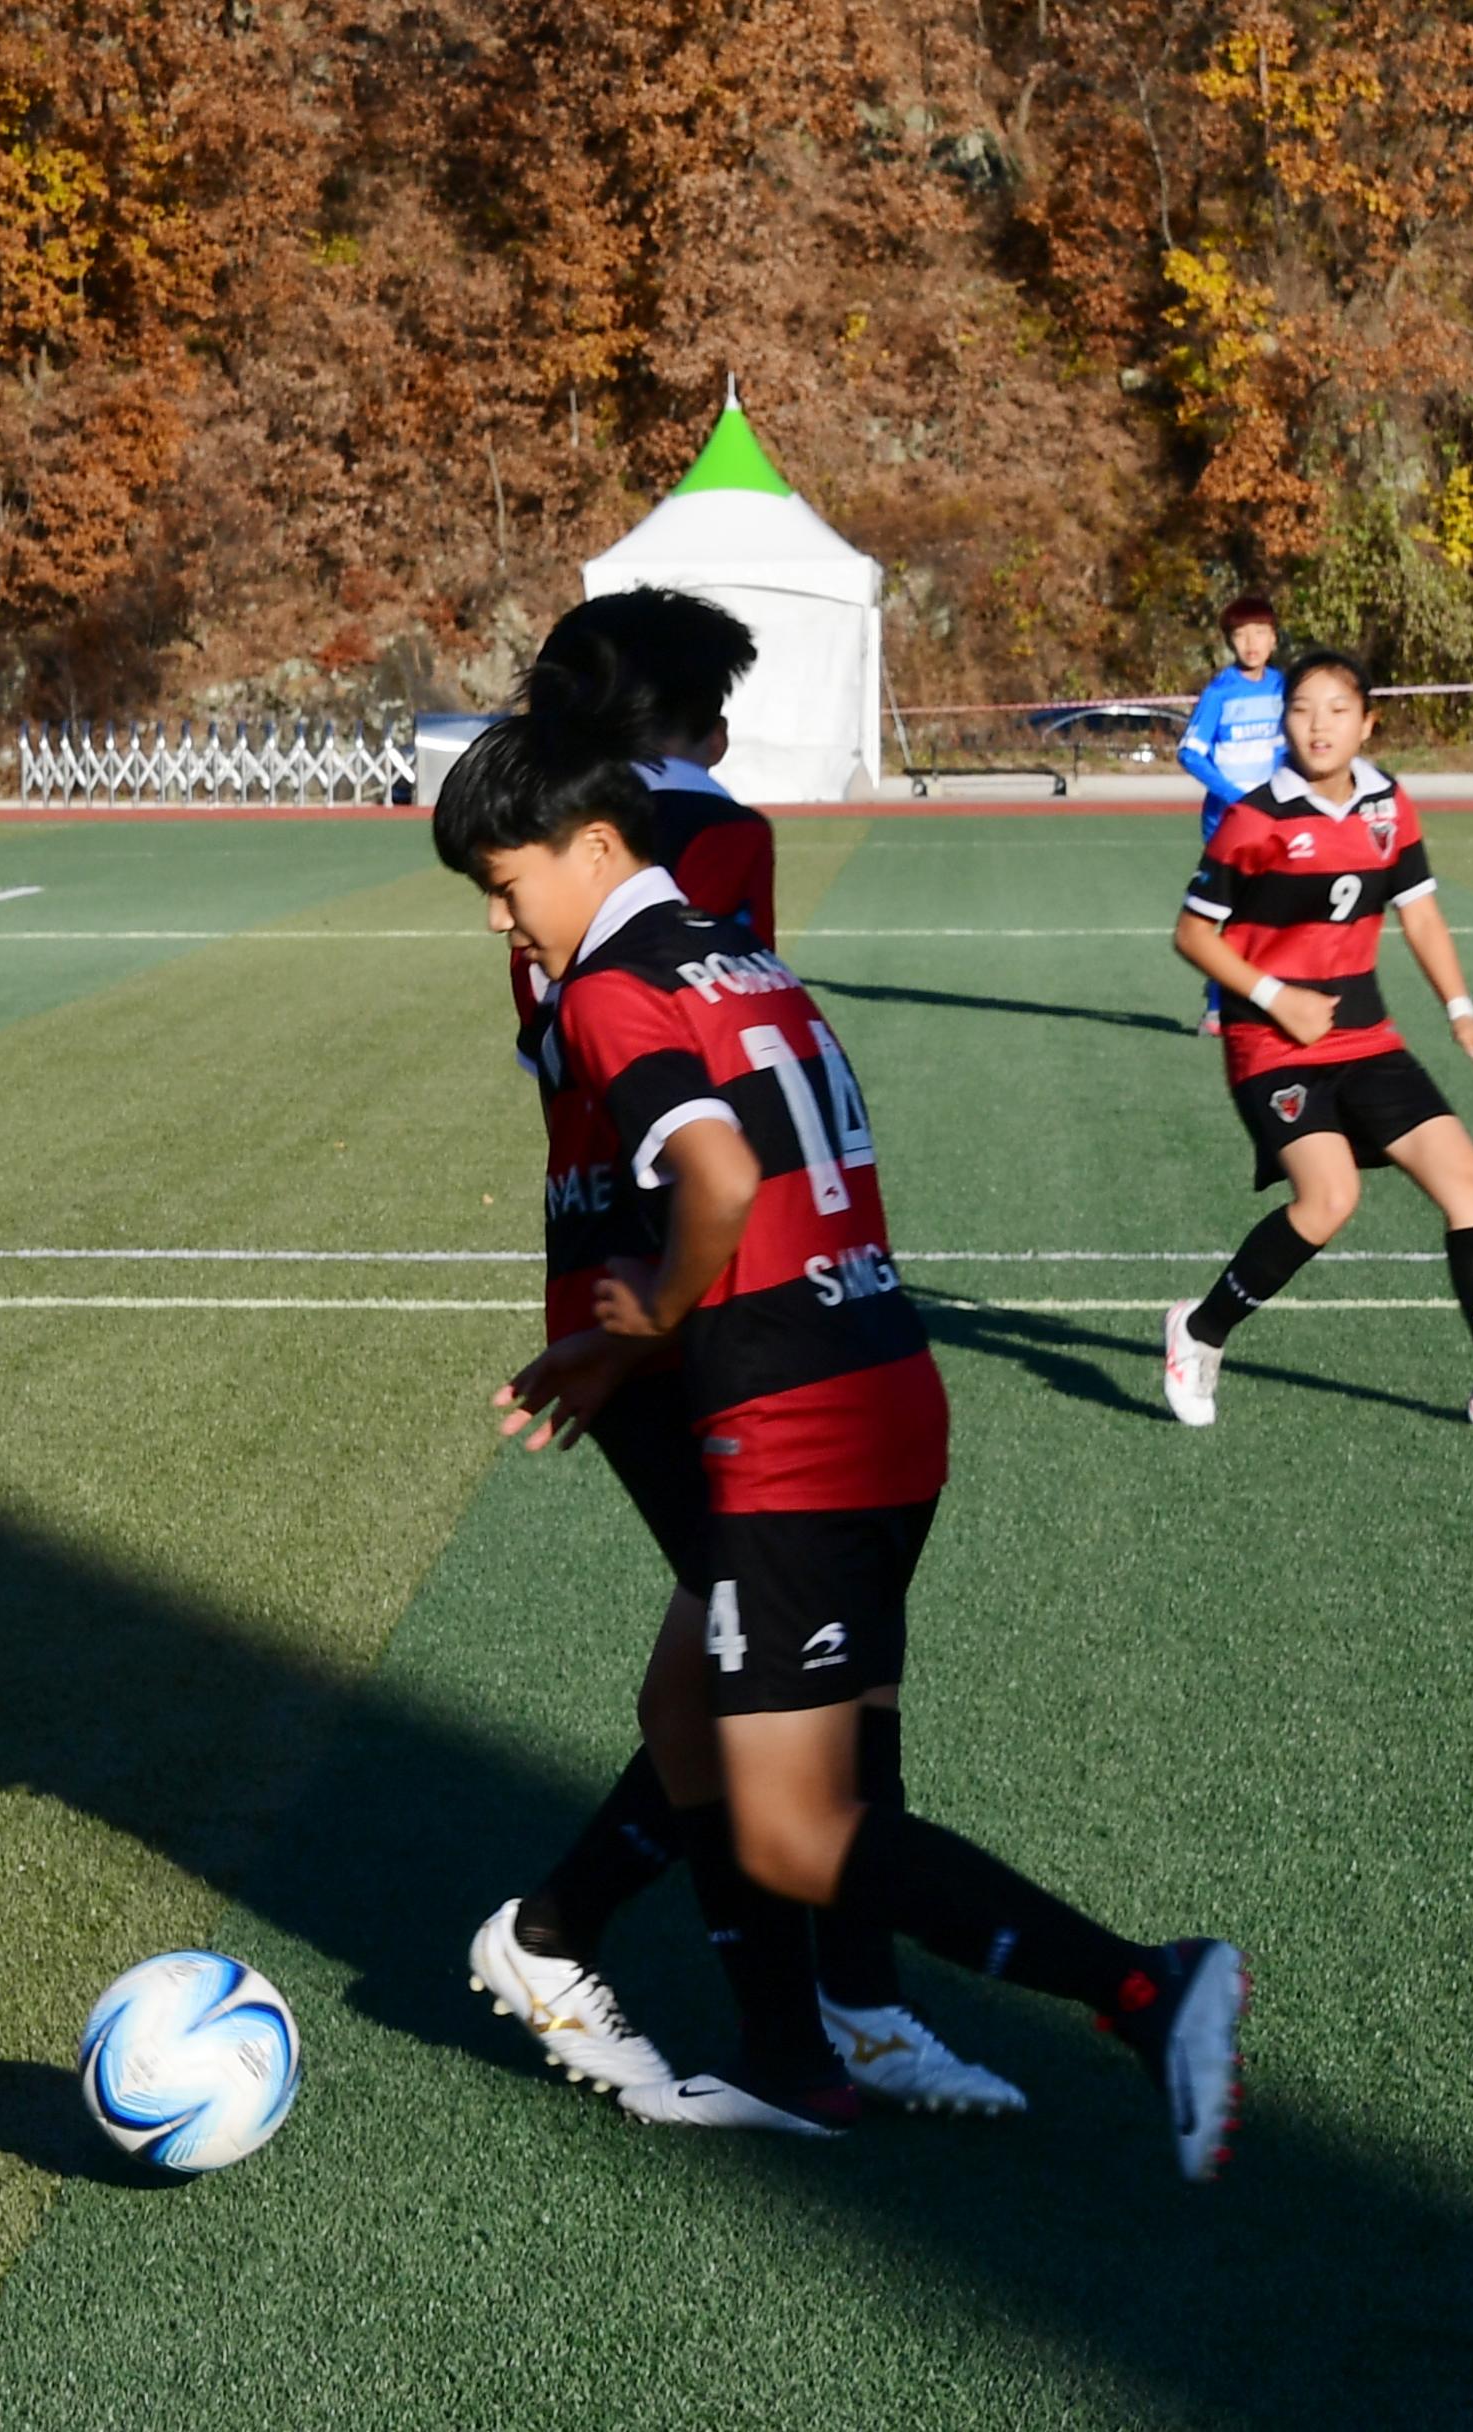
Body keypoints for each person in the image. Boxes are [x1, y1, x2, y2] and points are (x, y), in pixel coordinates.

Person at [445, 660, 1251, 2175]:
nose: (503, 924)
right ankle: (713, 2012)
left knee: (791, 1831)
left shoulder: (615, 988)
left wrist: (647, 1314)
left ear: (595, 847)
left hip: (788, 1433)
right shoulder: (743, 965)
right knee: (693, 1710)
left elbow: (720, 1183)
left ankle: (1143, 1987)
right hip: (892, 1390)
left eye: (504, 887)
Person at [469, 590, 1023, 2121]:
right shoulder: (692, 839)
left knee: (763, 1664)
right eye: (712, 710)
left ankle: (805, 2012)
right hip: (688, 1288)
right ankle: (751, 1999)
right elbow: (718, 1078)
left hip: (606, 1250)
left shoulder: (553, 827)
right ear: (679, 720)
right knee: (780, 1672)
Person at [1163, 649, 1473, 1435]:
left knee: (1472, 1182)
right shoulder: (1254, 818)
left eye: (1336, 709)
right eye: (1301, 709)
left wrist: (1461, 1010)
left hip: (1367, 1038)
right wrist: (1273, 995)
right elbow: (1192, 935)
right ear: (1283, 722)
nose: (1317, 725)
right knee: (1329, 1200)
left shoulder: (1389, 806)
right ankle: (1199, 1332)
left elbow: (1420, 913)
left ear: (1368, 722)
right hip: (1273, 1046)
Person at [1177, 597, 1289, 1035]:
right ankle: (1218, 1002)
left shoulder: (1284, 688)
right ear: (1230, 642)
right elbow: (1189, 753)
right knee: (1232, 913)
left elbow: (1292, 747)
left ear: (1274, 638)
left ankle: (1268, 999)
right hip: (1230, 823)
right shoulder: (1220, 692)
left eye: (1260, 632)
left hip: (1277, 819)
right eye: (1242, 635)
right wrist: (1237, 797)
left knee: (1276, 911)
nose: (1251, 643)